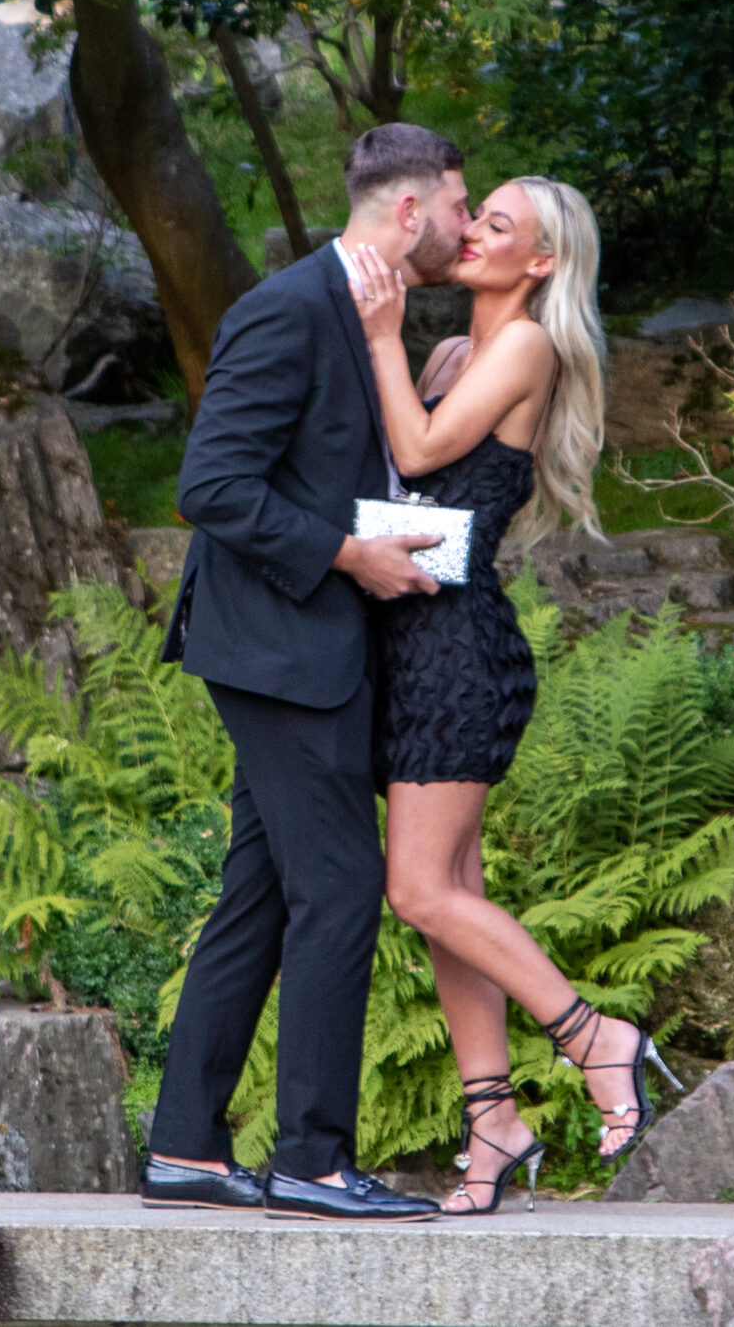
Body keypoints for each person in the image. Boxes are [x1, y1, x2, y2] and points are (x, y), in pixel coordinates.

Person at [140, 124, 471, 1221]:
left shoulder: (369, 315)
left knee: (263, 893)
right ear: (409, 211)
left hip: (306, 647)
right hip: (277, 646)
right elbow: (210, 486)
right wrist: (346, 554)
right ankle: (314, 1163)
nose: (467, 227)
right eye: (458, 207)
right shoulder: (286, 308)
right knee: (339, 885)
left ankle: (186, 1148)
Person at [346, 174, 678, 1216]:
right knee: (452, 903)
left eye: (497, 224)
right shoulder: (456, 354)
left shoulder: (526, 345)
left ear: (539, 262)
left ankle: (595, 1035)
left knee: (417, 891)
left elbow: (416, 450)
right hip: (411, 644)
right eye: (475, 215)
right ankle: (492, 1120)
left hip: (458, 652)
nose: (472, 232)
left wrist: (379, 335)